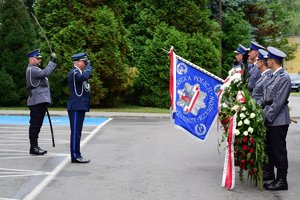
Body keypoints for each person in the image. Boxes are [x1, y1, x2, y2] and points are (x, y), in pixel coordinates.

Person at [262, 47, 291, 191]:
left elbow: (278, 102)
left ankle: (282, 180)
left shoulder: (284, 78)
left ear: (272, 61)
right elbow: (267, 99)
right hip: (271, 118)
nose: (266, 61)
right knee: (271, 149)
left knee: (279, 150)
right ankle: (273, 177)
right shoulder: (274, 76)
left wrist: (267, 118)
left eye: (268, 59)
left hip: (278, 120)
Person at [25, 49, 57, 155]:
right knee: (35, 125)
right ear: (31, 59)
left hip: (39, 101)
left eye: (40, 58)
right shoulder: (32, 69)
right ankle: (33, 147)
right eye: (37, 58)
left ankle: (35, 146)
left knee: (37, 125)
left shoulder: (35, 69)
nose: (40, 60)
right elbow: (46, 72)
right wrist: (52, 61)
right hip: (36, 102)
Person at [67, 52, 92, 164]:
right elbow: (84, 77)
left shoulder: (80, 72)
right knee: (75, 132)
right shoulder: (74, 72)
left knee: (78, 132)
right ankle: (75, 156)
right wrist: (89, 68)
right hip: (76, 106)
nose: (86, 63)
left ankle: (77, 154)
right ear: (78, 62)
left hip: (80, 106)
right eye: (84, 61)